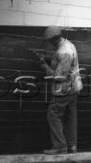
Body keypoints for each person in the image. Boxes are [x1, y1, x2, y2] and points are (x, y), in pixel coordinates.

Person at [35, 26, 83, 154]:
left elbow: (59, 77)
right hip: (74, 87)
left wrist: (45, 67)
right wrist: (47, 59)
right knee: (71, 117)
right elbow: (63, 64)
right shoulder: (68, 45)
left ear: (54, 39)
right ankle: (72, 146)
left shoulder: (64, 51)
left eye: (50, 42)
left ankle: (60, 146)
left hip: (64, 89)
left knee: (53, 114)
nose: (50, 44)